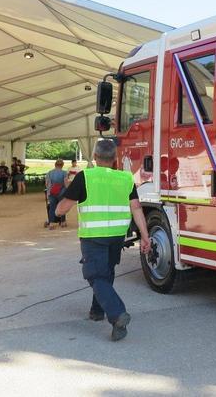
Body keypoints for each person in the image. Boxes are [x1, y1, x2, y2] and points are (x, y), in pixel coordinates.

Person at [55, 139, 150, 341]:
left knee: (95, 275)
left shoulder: (85, 177)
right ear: (115, 159)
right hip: (117, 236)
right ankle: (97, 311)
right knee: (106, 272)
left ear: (95, 157)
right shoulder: (125, 178)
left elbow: (62, 209)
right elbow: (136, 208)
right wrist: (145, 236)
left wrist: (57, 210)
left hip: (94, 236)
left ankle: (117, 314)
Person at [45, 160, 68, 230]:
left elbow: (47, 183)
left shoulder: (49, 173)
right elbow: (66, 184)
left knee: (52, 208)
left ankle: (51, 223)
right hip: (62, 192)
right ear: (62, 165)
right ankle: (63, 222)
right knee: (62, 207)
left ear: (55, 165)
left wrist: (49, 192)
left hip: (52, 192)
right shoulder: (64, 173)